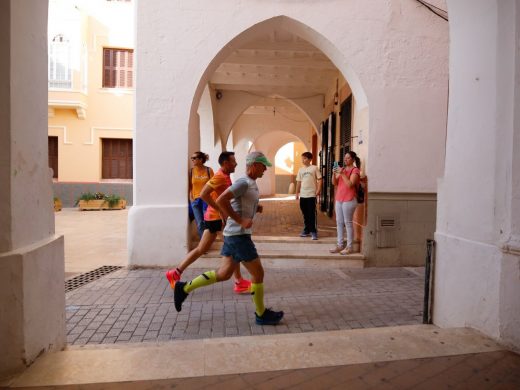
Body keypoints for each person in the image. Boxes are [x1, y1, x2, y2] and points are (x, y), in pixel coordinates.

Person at [173, 151, 284, 326]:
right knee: (258, 273)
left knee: (223, 274)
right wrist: (240, 220)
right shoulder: (243, 182)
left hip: (233, 236)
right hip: (238, 237)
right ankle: (261, 314)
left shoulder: (251, 183)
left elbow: (240, 203)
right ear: (254, 165)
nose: (265, 170)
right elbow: (223, 200)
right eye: (263, 166)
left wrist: (256, 208)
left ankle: (184, 288)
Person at [165, 151, 251, 294]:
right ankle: (239, 281)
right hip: (216, 219)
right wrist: (221, 210)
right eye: (233, 161)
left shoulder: (225, 176)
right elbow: (204, 194)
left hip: (213, 218)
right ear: (225, 163)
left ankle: (175, 272)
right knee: (233, 248)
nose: (236, 163)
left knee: (202, 249)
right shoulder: (219, 177)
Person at [329, 151, 361, 255]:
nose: (345, 159)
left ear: (352, 159)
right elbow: (335, 183)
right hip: (339, 199)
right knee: (339, 223)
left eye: (347, 158)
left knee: (348, 223)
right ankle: (340, 245)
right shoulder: (342, 169)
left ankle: (349, 247)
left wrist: (342, 174)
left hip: (349, 200)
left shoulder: (355, 170)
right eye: (344, 158)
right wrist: (334, 173)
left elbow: (350, 184)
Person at [295, 151, 322, 240]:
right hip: (303, 195)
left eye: (305, 158)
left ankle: (313, 231)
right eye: (302, 158)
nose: (303, 160)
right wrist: (297, 193)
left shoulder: (314, 168)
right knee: (305, 213)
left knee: (311, 213)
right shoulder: (300, 170)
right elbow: (298, 182)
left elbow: (320, 180)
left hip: (311, 195)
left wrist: (318, 190)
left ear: (310, 159)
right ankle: (306, 230)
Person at [189, 151, 214, 239]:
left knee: (207, 221)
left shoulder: (208, 170)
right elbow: (189, 186)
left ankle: (207, 242)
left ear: (201, 159)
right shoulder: (191, 171)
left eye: (194, 158)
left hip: (206, 200)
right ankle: (202, 244)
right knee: (199, 223)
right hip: (195, 200)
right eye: (192, 158)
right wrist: (191, 197)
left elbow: (213, 185)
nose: (192, 160)